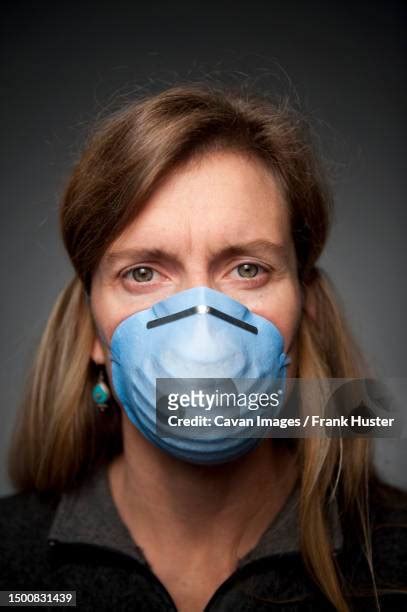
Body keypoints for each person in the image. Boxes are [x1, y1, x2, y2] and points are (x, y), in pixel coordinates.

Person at [1, 83, 406, 612]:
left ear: (305, 309)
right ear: (89, 331)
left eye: (247, 269)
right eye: (143, 272)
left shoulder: (393, 561)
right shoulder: (12, 564)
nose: (201, 328)